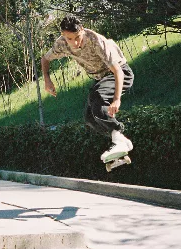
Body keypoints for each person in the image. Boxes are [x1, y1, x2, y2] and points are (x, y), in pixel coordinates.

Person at [41, 15, 134, 163]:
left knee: (97, 98)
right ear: (63, 35)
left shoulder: (96, 41)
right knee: (89, 118)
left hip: (119, 74)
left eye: (77, 37)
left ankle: (119, 137)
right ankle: (121, 143)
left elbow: (118, 71)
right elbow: (45, 59)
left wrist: (117, 99)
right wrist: (47, 79)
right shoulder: (61, 44)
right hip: (100, 78)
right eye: (69, 39)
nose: (75, 42)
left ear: (82, 30)